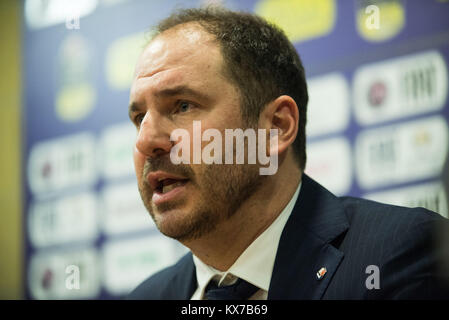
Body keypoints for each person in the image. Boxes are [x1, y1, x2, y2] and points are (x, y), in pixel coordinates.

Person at [127, 7, 449, 299]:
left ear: (277, 127)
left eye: (183, 106)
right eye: (139, 118)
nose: (146, 140)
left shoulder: (401, 257)